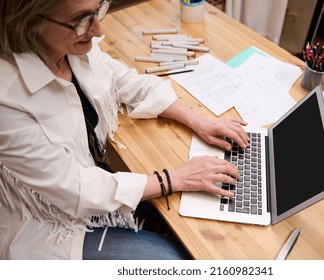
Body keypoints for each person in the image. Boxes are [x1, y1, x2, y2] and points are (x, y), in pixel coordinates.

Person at [0, 0, 250, 259]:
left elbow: (124, 81)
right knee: (175, 259)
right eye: (83, 20)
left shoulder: (72, 42)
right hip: (47, 224)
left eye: (98, 10)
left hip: (94, 187)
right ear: (28, 21)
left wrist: (198, 120)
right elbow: (76, 188)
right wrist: (174, 179)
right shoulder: (6, 100)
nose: (98, 30)